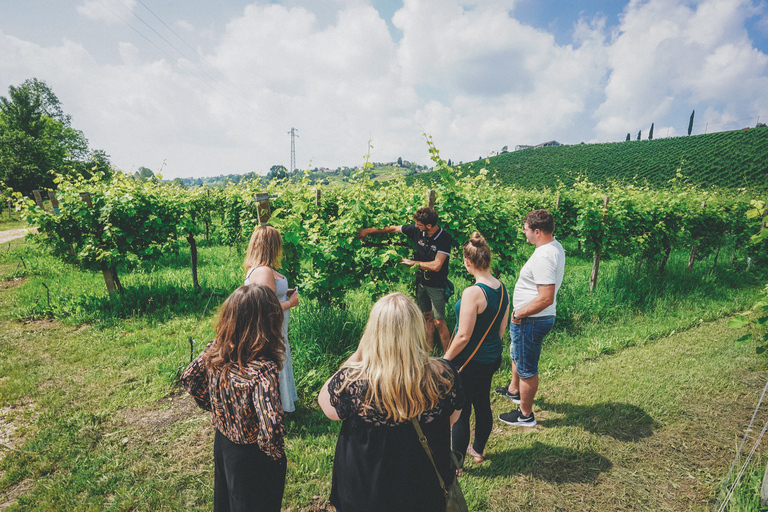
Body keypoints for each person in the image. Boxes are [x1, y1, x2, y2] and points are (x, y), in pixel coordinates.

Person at [318, 293, 464, 512]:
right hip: (423, 491)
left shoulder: (354, 382)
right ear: (417, 329)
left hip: (365, 494)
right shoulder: (444, 375)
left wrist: (359, 352)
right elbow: (453, 419)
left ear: (373, 333)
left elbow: (327, 406)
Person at [181, 285, 287, 512]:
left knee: (227, 501)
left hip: (223, 442)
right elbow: (272, 424)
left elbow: (189, 378)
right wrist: (275, 455)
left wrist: (215, 407)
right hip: (252, 455)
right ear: (268, 322)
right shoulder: (262, 369)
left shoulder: (216, 350)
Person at [444, 232, 509, 472]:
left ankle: (458, 463)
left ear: (468, 262)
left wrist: (444, 360)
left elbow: (463, 335)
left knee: (461, 412)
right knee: (482, 403)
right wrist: (489, 352)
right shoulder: (502, 289)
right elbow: (501, 329)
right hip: (491, 358)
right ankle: (478, 450)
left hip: (468, 362)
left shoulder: (473, 293)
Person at [497, 209, 565, 427]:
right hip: (533, 318)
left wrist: (519, 313)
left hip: (531, 319)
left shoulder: (544, 256)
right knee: (518, 354)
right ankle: (513, 390)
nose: (524, 233)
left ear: (537, 231)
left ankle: (525, 415)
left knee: (527, 367)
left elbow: (545, 297)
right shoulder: (553, 246)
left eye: (525, 229)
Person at [356, 206, 454, 352]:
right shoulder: (417, 230)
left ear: (429, 225)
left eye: (419, 224)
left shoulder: (444, 237)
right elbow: (393, 229)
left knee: (439, 321)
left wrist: (413, 263)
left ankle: (449, 357)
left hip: (436, 284)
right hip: (421, 282)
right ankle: (429, 352)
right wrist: (368, 231)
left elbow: (437, 265)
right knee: (426, 316)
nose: (416, 226)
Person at [244, 225, 299, 413]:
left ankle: (280, 403)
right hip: (271, 328)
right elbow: (266, 307)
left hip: (278, 329)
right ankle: (274, 406)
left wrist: (285, 294)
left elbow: (271, 295)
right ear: (271, 245)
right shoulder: (263, 271)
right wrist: (290, 303)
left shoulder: (262, 269)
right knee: (274, 360)